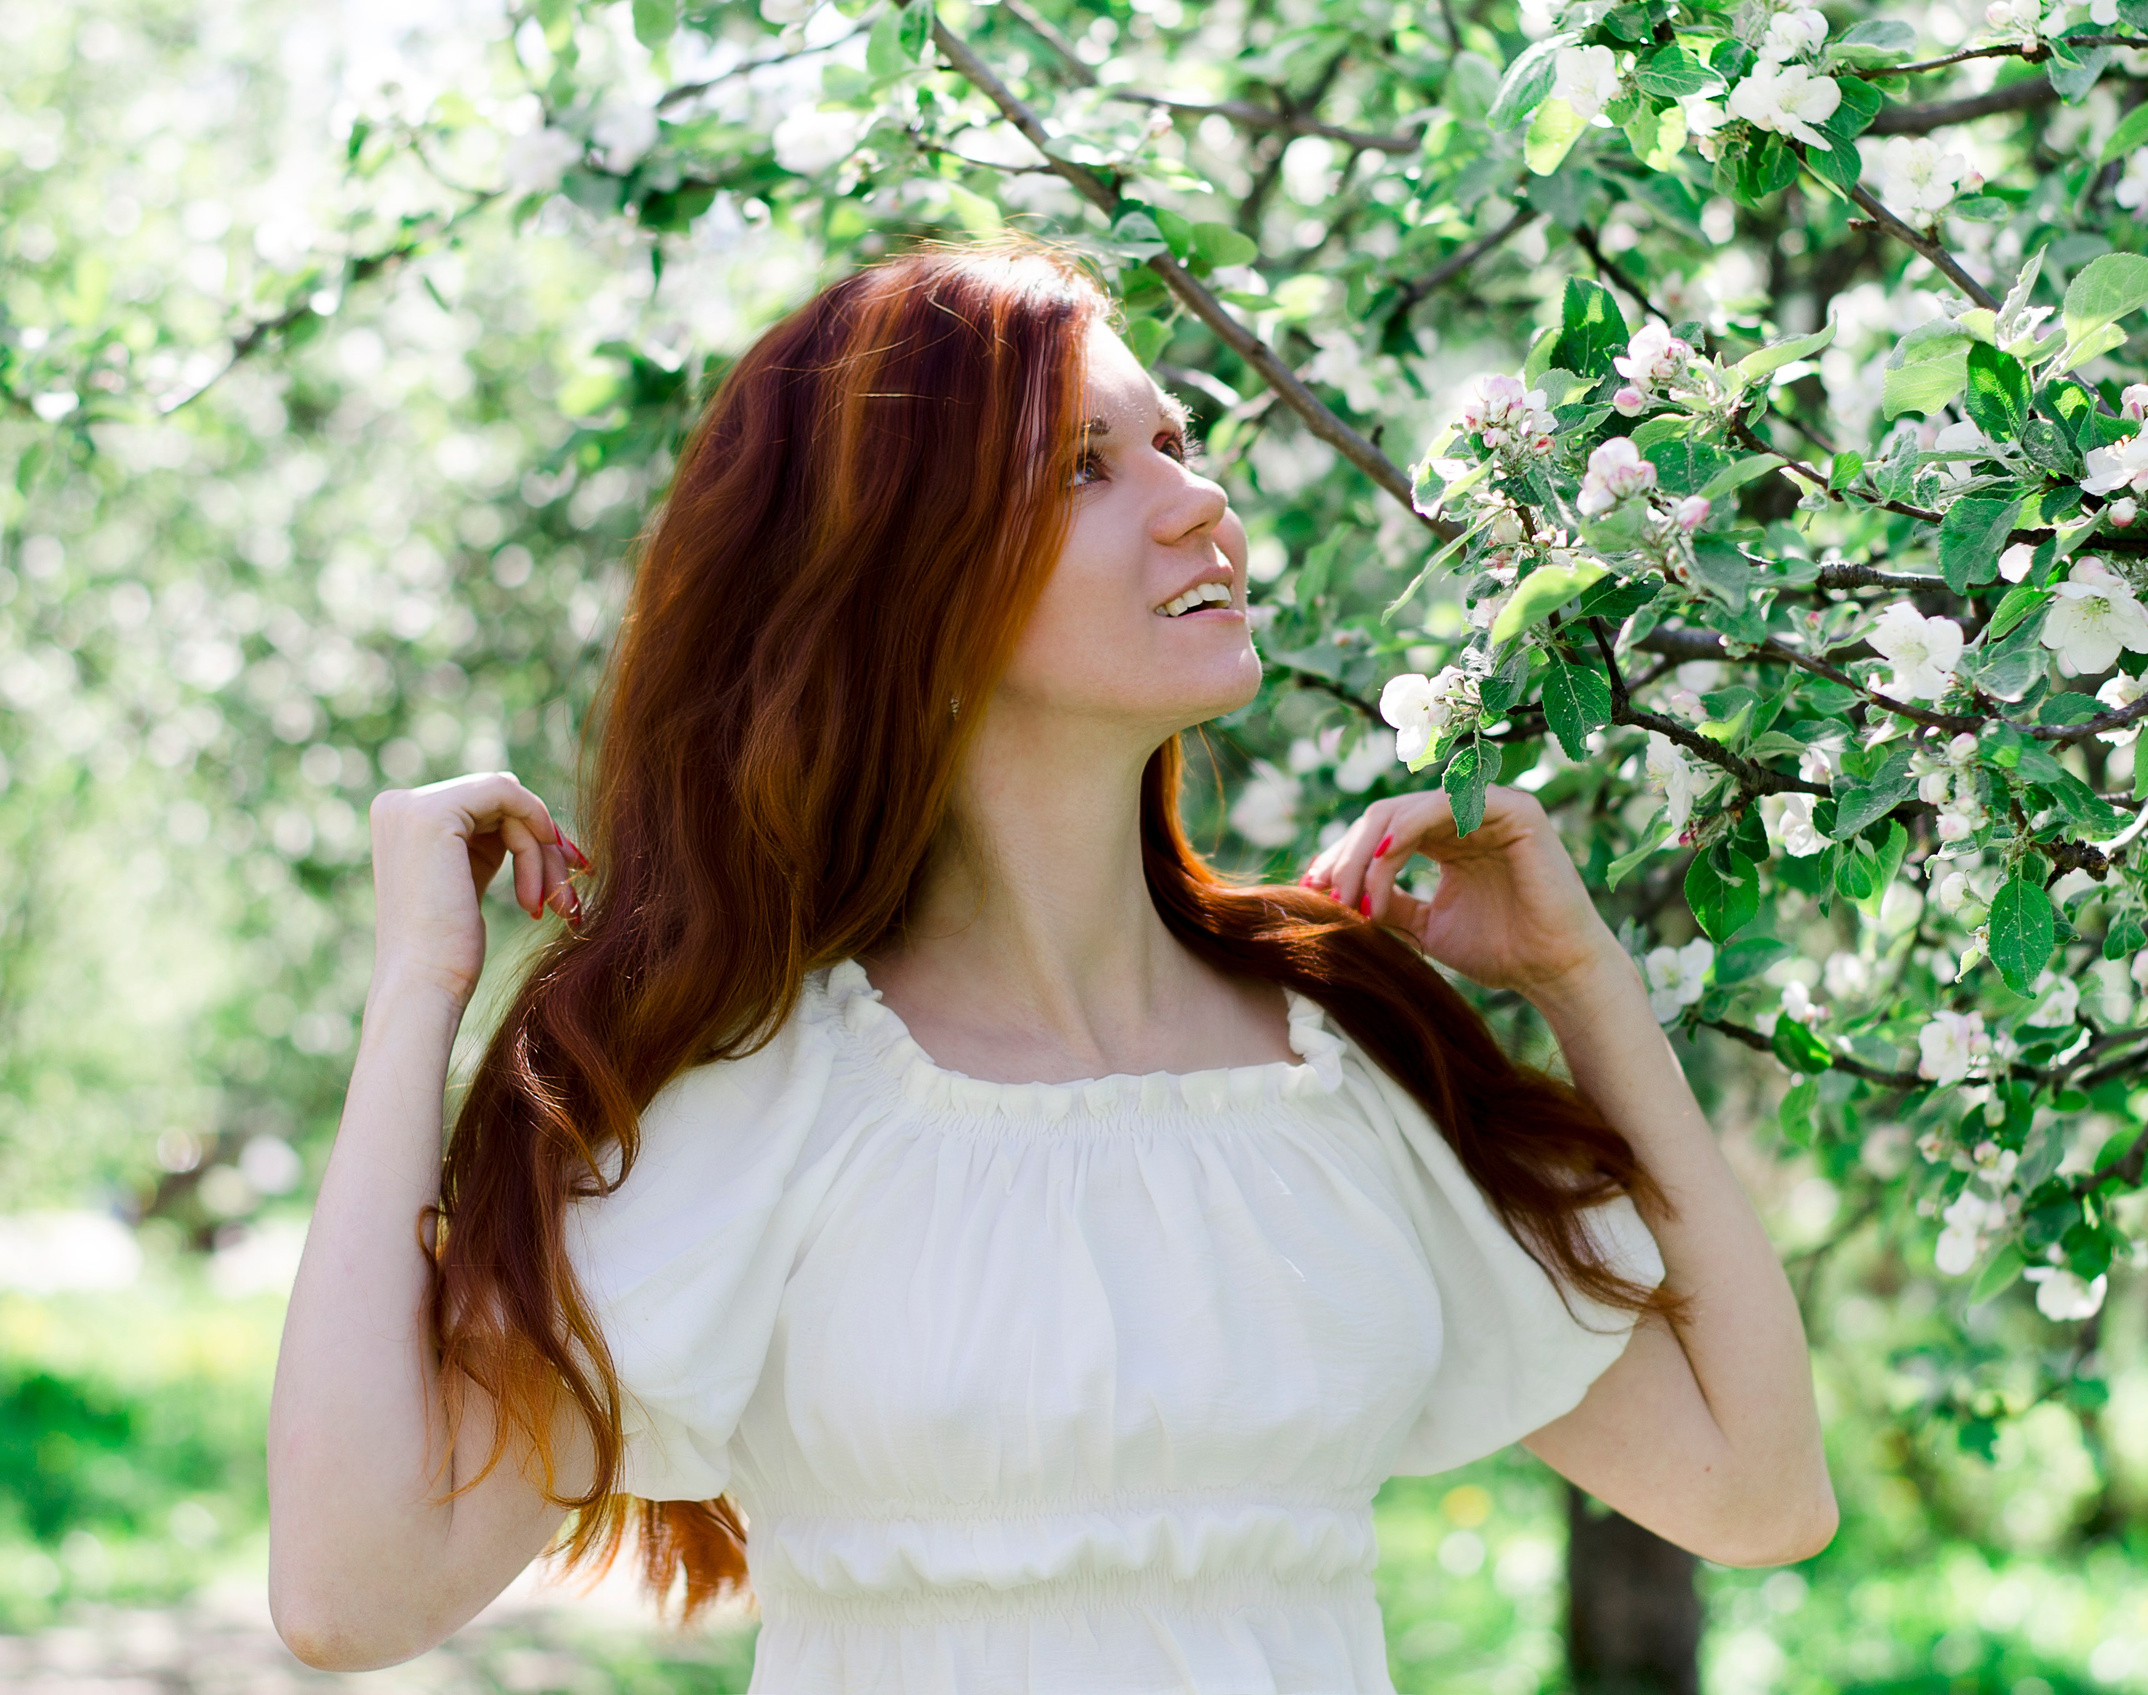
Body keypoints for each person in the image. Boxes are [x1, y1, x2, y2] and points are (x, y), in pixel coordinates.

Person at [266, 235, 1833, 1691]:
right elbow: (350, 1593)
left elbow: (1754, 1490)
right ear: (901, 573)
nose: (1196, 502)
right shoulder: (757, 1095)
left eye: (1172, 441)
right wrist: (420, 989)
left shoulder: (1339, 1063)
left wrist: (1582, 981)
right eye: (1085, 466)